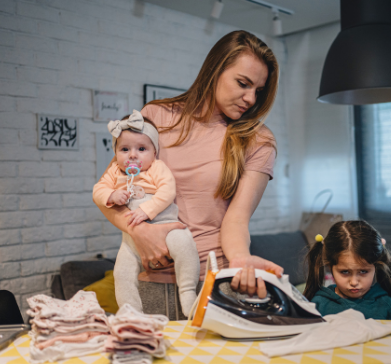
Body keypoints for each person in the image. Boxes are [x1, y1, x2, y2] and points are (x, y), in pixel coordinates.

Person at [93, 30, 283, 319]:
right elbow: (112, 190)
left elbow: (236, 219)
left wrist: (241, 259)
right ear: (215, 70)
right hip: (149, 282)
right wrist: (138, 231)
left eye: (258, 90)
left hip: (215, 283)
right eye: (243, 83)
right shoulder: (156, 117)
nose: (250, 98)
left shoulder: (257, 140)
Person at [92, 109, 199, 316]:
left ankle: (187, 291)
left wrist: (145, 210)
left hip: (167, 228)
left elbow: (168, 191)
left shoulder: (156, 168)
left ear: (154, 152)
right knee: (122, 274)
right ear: (115, 153)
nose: (132, 155)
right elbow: (97, 190)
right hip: (131, 238)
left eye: (141, 149)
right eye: (124, 149)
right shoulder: (115, 171)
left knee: (186, 245)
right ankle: (130, 312)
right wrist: (112, 195)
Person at [303, 220, 391, 320]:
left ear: (376, 267)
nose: (354, 282)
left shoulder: (388, 305)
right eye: (345, 272)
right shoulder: (318, 305)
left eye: (363, 271)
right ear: (330, 267)